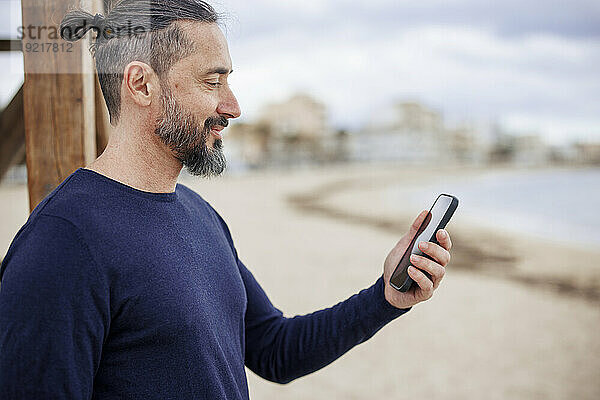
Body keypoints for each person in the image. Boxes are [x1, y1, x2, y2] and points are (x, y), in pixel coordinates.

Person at [0, 1, 453, 399]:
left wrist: (386, 298)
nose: (233, 106)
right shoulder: (63, 243)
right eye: (212, 82)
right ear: (140, 85)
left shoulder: (198, 214)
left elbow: (276, 349)